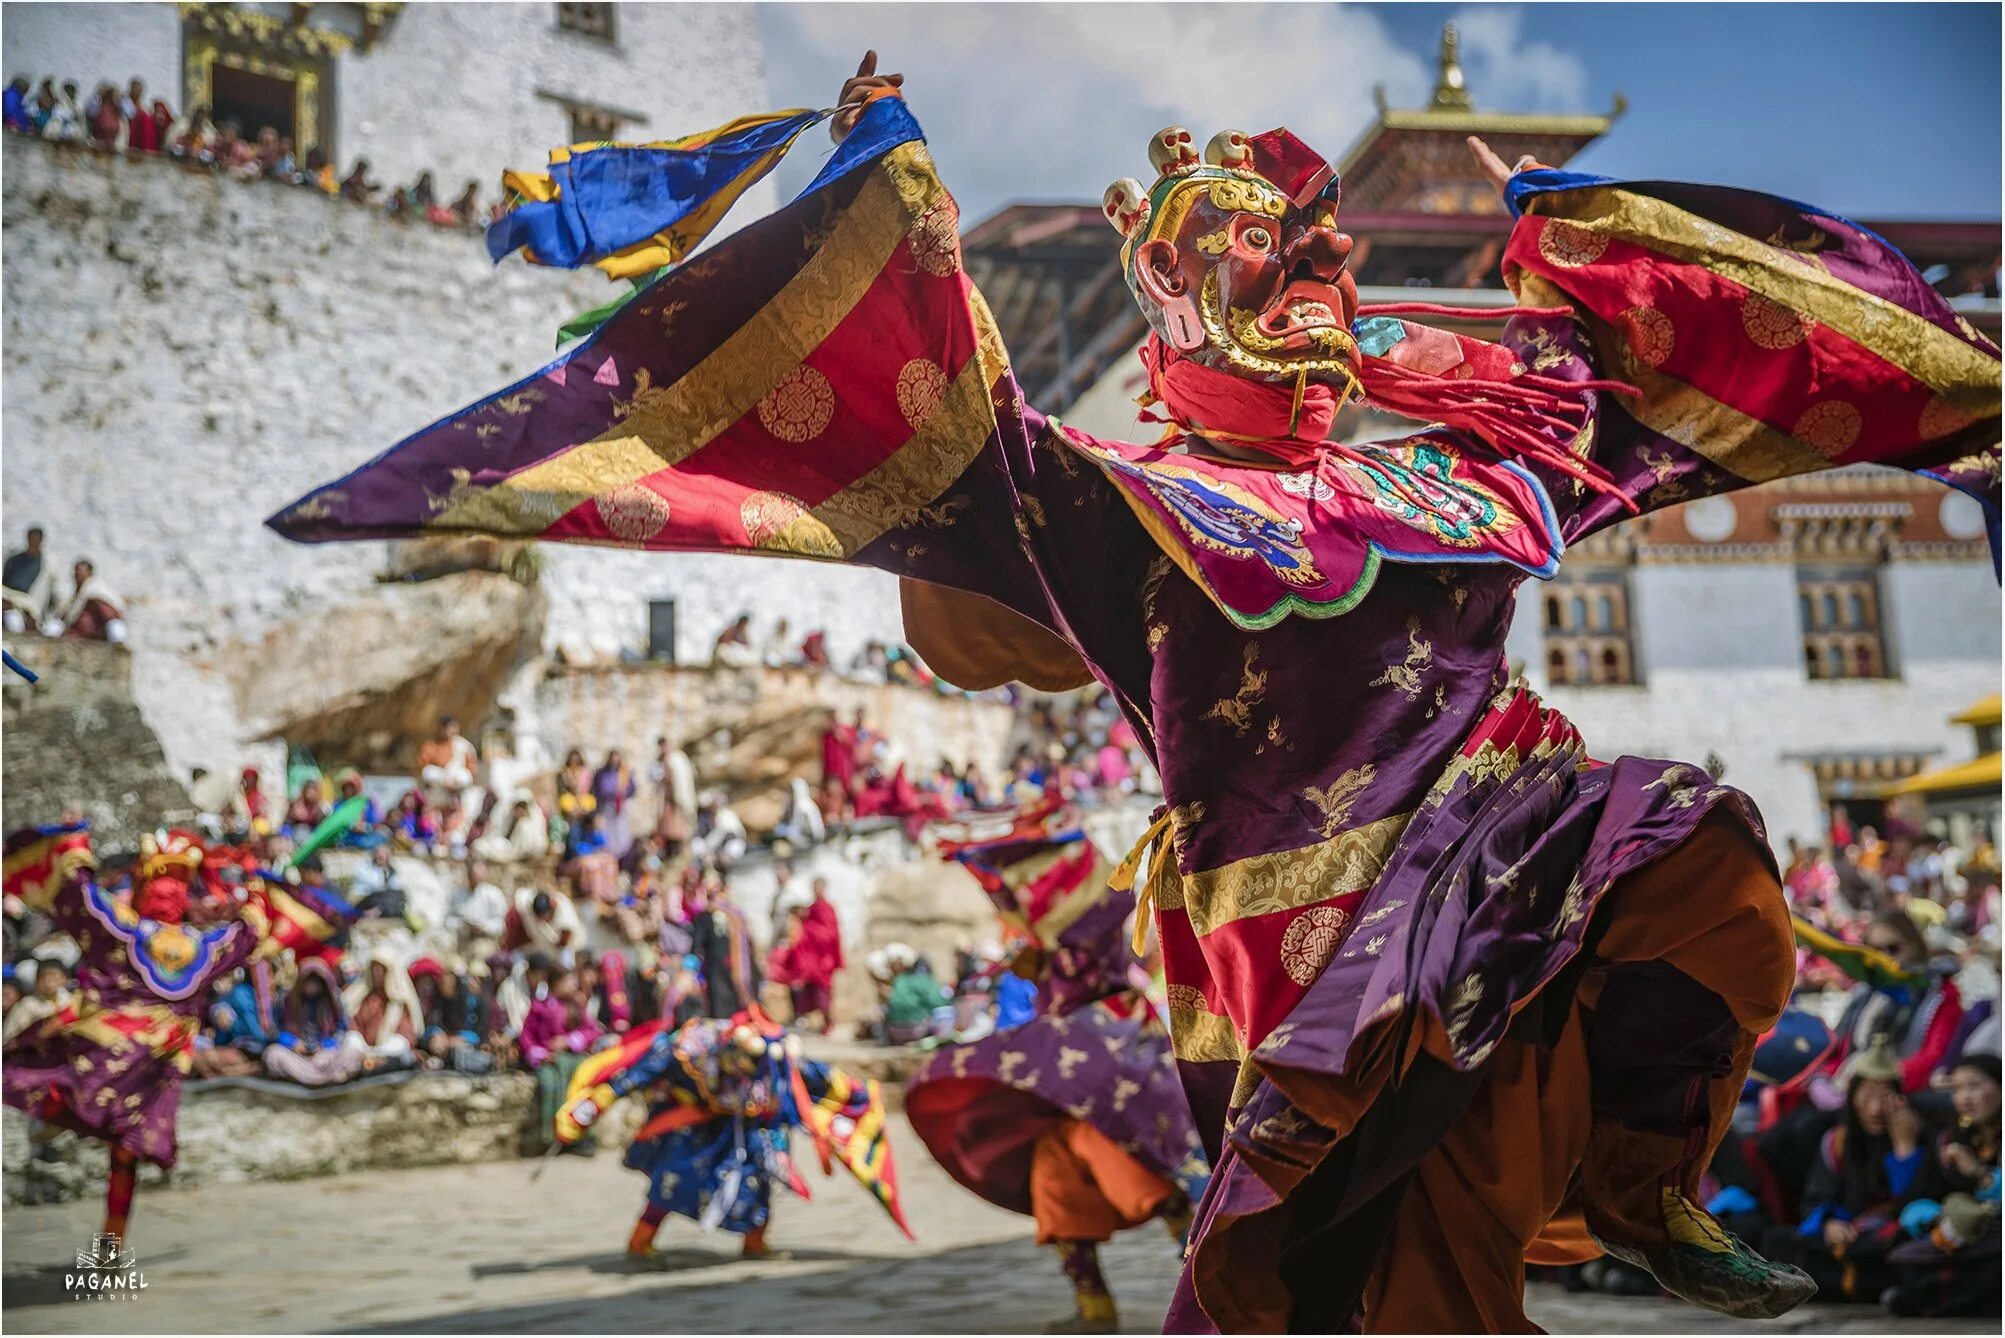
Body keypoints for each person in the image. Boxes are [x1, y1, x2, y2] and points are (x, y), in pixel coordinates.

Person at [271, 48, 2002, 1331]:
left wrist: (1942, 391)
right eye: (1264, 261)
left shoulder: (1470, 468)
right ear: (1177, 288)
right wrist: (895, 217)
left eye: (1318, 260)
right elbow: (959, 463)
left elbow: (1656, 409)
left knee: (1712, 871)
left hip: (1503, 863)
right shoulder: (1120, 506)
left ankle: (1643, 1179)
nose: (1312, 288)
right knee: (1397, 1279)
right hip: (1310, 938)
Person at [908, 801, 1209, 1331]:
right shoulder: (1057, 948)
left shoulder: (1093, 930)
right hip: (1069, 1091)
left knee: (1157, 1180)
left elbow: (1082, 963)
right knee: (1057, 1187)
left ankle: (1215, 1296)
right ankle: (1094, 1308)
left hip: (1115, 1057)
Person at [2, 828, 270, 1242]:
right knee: (120, 1151)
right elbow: (250, 929)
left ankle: (111, 1244)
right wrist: (253, 885)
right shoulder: (193, 946)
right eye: (162, 886)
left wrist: (74, 851)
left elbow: (80, 898)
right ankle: (110, 1244)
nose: (168, 894)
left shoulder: (127, 932)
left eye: (175, 887)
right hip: (141, 1067)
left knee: (114, 1143)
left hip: (126, 1063)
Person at [558, 1010, 914, 1257]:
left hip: (755, 1125)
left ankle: (755, 1243)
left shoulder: (778, 1058)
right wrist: (592, 1106)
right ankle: (641, 1241)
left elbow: (823, 1082)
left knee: (763, 1175)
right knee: (674, 1177)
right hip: (697, 1122)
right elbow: (631, 1076)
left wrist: (858, 1093)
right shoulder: (689, 1049)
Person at [1760, 1039, 1951, 1302]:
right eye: (1867, 1094)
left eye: (1884, 1096)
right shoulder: (1837, 1142)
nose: (1875, 1108)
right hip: (1851, 1237)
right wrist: (1829, 1223)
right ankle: (1859, 1283)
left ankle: (1841, 1283)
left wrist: (1904, 1150)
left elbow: (1914, 1206)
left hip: (1890, 1236)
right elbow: (1816, 1199)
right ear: (1852, 1097)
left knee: (1903, 1245)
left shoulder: (1923, 1139)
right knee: (1776, 1241)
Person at [520, 967, 605, 1152]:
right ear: (555, 984)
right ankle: (552, 1136)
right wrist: (542, 1054)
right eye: (568, 981)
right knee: (549, 1083)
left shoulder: (576, 1006)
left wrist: (568, 1041)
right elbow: (526, 1037)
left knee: (581, 1086)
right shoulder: (539, 1008)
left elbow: (593, 1031)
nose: (573, 985)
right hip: (548, 1062)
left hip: (573, 1060)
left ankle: (581, 1136)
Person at [689, 876, 758, 1017]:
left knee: (721, 1002)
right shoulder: (735, 913)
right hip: (736, 963)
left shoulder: (705, 915)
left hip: (718, 964)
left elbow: (697, 945)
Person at [50, 559, 123, 641]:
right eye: (76, 572)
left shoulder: (96, 589)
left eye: (81, 571)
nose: (78, 574)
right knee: (54, 626)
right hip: (77, 636)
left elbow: (109, 613)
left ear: (90, 573)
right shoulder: (75, 596)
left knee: (115, 626)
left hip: (98, 634)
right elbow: (67, 616)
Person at [502, 887, 582, 960]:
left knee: (564, 959)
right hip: (538, 946)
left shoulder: (565, 918)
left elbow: (563, 943)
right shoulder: (527, 902)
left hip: (564, 948)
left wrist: (552, 950)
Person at [3, 524, 54, 632]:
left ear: (41, 541)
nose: (33, 543)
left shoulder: (47, 564)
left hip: (32, 602)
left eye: (36, 540)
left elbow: (49, 592)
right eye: (31, 539)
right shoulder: (13, 560)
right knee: (12, 619)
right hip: (11, 599)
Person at [418, 715, 478, 794]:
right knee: (428, 771)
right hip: (440, 778)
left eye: (454, 727)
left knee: (465, 776)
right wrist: (443, 777)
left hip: (457, 779)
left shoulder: (463, 745)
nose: (452, 730)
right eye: (449, 727)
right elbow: (423, 767)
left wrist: (455, 779)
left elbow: (471, 770)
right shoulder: (432, 745)